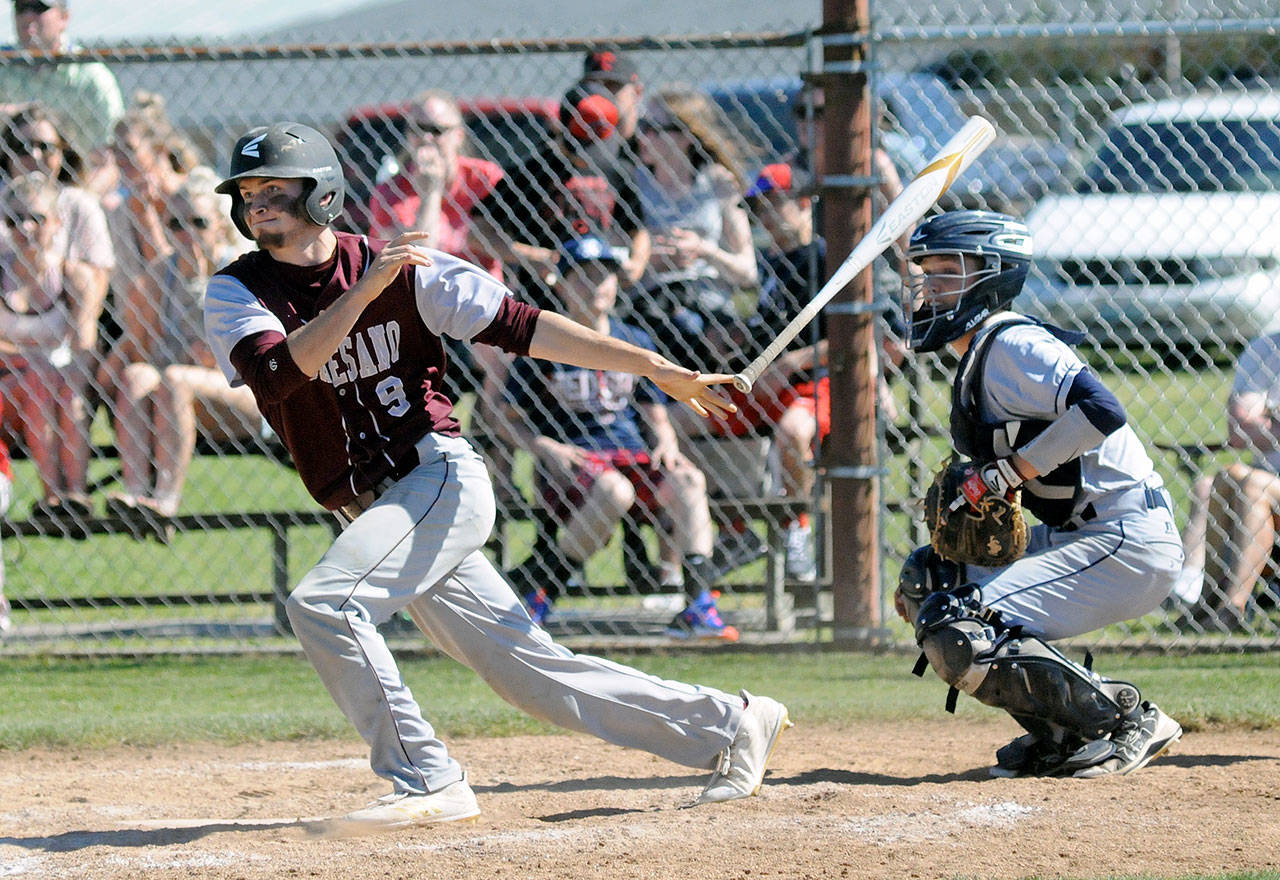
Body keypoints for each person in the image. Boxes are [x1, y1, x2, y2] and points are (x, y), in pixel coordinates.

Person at [202, 121, 790, 826]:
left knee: (324, 604)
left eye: (276, 189)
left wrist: (655, 367)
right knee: (530, 676)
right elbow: (276, 377)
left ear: (321, 193)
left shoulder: (409, 269)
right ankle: (731, 725)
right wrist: (361, 293)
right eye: (248, 192)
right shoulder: (237, 289)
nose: (259, 203)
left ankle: (427, 779)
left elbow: (526, 326)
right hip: (372, 510)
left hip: (436, 478)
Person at [891, 209, 1184, 779]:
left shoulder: (1013, 344)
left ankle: (1123, 719)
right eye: (926, 273)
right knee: (932, 578)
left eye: (947, 272)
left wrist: (1003, 476)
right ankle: (1065, 735)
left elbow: (1102, 411)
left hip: (1126, 538)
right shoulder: (982, 353)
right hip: (1085, 532)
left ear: (992, 277)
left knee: (959, 623)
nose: (929, 288)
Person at [501, 235, 732, 640]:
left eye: (606, 276)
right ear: (564, 283)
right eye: (586, 277)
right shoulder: (546, 340)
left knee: (689, 482)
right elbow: (503, 416)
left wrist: (667, 442)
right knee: (614, 491)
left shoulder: (634, 340)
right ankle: (541, 595)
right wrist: (544, 447)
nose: (598, 286)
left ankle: (698, 607)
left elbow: (653, 408)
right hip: (573, 461)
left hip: (630, 453)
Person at [98, 169, 258, 531]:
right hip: (178, 395)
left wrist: (205, 357)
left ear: (220, 225)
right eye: (175, 223)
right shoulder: (161, 273)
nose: (185, 233)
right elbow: (144, 345)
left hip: (246, 396)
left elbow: (247, 360)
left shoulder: (241, 270)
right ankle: (136, 492)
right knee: (137, 375)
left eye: (197, 222)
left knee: (174, 379)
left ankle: (166, 502)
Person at [631, 86, 757, 372]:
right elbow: (615, 260)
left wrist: (703, 251)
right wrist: (649, 258)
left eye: (653, 129)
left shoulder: (718, 184)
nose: (642, 137)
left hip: (710, 305)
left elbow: (748, 272)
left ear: (685, 136)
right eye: (642, 126)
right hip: (652, 304)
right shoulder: (633, 185)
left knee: (703, 331)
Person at [0, 171, 96, 529]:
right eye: (15, 219)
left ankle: (74, 495)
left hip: (59, 389)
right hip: (7, 390)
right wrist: (26, 360)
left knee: (64, 386)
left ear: (56, 223)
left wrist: (59, 368)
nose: (25, 227)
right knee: (39, 382)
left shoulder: (73, 277)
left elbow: (83, 342)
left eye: (36, 218)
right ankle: (53, 494)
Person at [1184, 331, 1280, 630]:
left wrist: (1268, 415)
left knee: (1247, 483)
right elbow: (1239, 430)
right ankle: (1211, 603)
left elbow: (1252, 424)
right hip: (1268, 481)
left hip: (1263, 483)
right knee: (1226, 478)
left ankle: (1226, 607)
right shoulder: (1266, 348)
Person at [0, 1, 124, 158]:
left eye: (39, 8)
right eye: (21, 8)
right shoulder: (3, 62)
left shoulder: (91, 75)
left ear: (64, 18)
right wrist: (16, 112)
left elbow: (111, 157)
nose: (28, 16)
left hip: (77, 178)